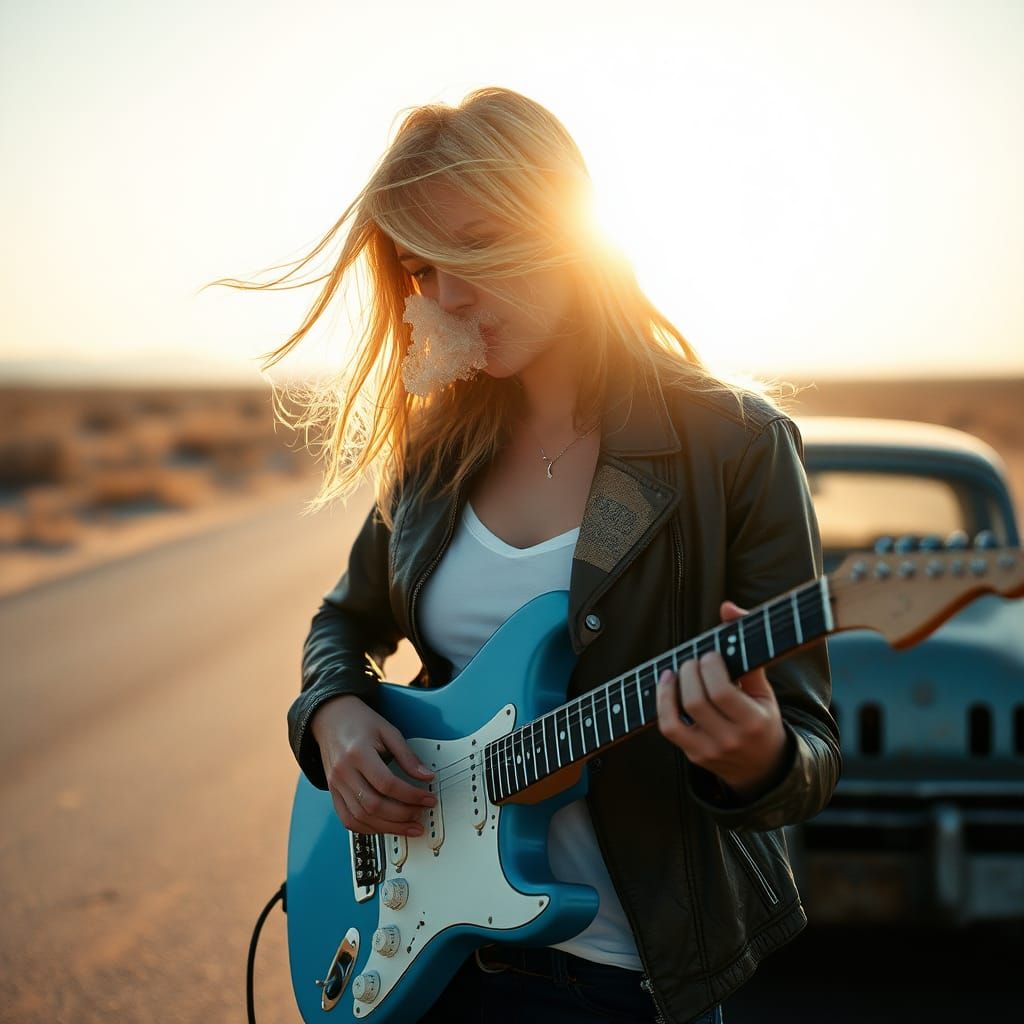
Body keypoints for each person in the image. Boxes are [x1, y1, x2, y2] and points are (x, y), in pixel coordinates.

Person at [257, 87, 840, 1024]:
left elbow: (811, 750)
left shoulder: (732, 445)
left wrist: (759, 754)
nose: (447, 295)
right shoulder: (438, 452)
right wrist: (332, 716)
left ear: (567, 228)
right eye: (422, 265)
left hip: (626, 980)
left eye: (478, 246)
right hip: (432, 961)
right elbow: (344, 620)